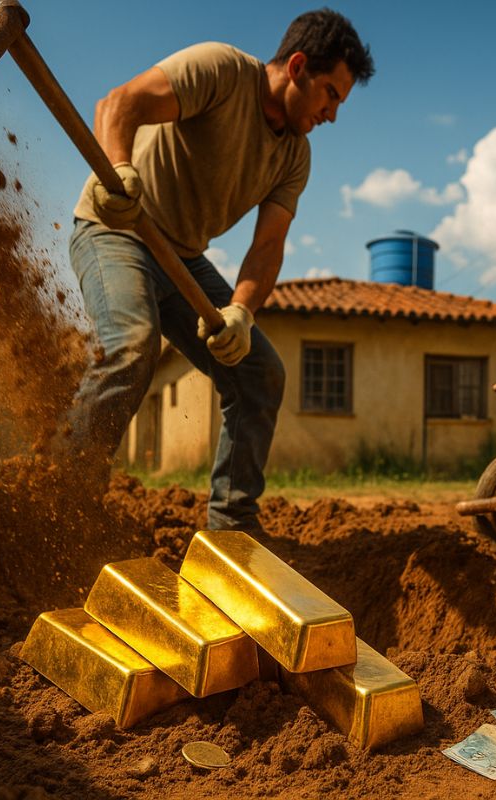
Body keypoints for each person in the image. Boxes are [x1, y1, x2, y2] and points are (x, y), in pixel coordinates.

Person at [65, 9, 374, 533]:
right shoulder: (221, 70)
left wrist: (242, 312)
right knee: (133, 346)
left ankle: (232, 527)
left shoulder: (295, 155)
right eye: (331, 94)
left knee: (260, 372)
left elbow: (267, 246)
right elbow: (119, 104)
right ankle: (64, 496)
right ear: (297, 66)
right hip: (116, 232)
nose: (333, 114)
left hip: (181, 258)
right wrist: (119, 170)